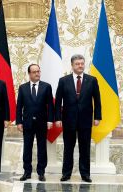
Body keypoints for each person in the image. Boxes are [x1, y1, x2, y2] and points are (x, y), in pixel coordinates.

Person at [55, 54, 101, 183]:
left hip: (86, 121)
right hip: (68, 120)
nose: (80, 66)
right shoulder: (63, 80)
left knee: (85, 148)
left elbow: (97, 100)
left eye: (82, 63)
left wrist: (97, 116)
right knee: (68, 148)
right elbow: (58, 101)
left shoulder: (92, 80)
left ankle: (85, 174)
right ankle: (66, 173)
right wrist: (57, 118)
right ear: (72, 65)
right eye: (77, 64)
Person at [16, 64, 54, 182]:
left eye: (38, 71)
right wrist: (19, 122)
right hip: (27, 123)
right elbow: (19, 107)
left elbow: (50, 106)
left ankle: (41, 172)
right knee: (27, 148)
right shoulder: (23, 88)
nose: (37, 74)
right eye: (34, 72)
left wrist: (50, 120)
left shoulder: (46, 87)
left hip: (42, 123)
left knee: (42, 148)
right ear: (29, 74)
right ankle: (27, 172)